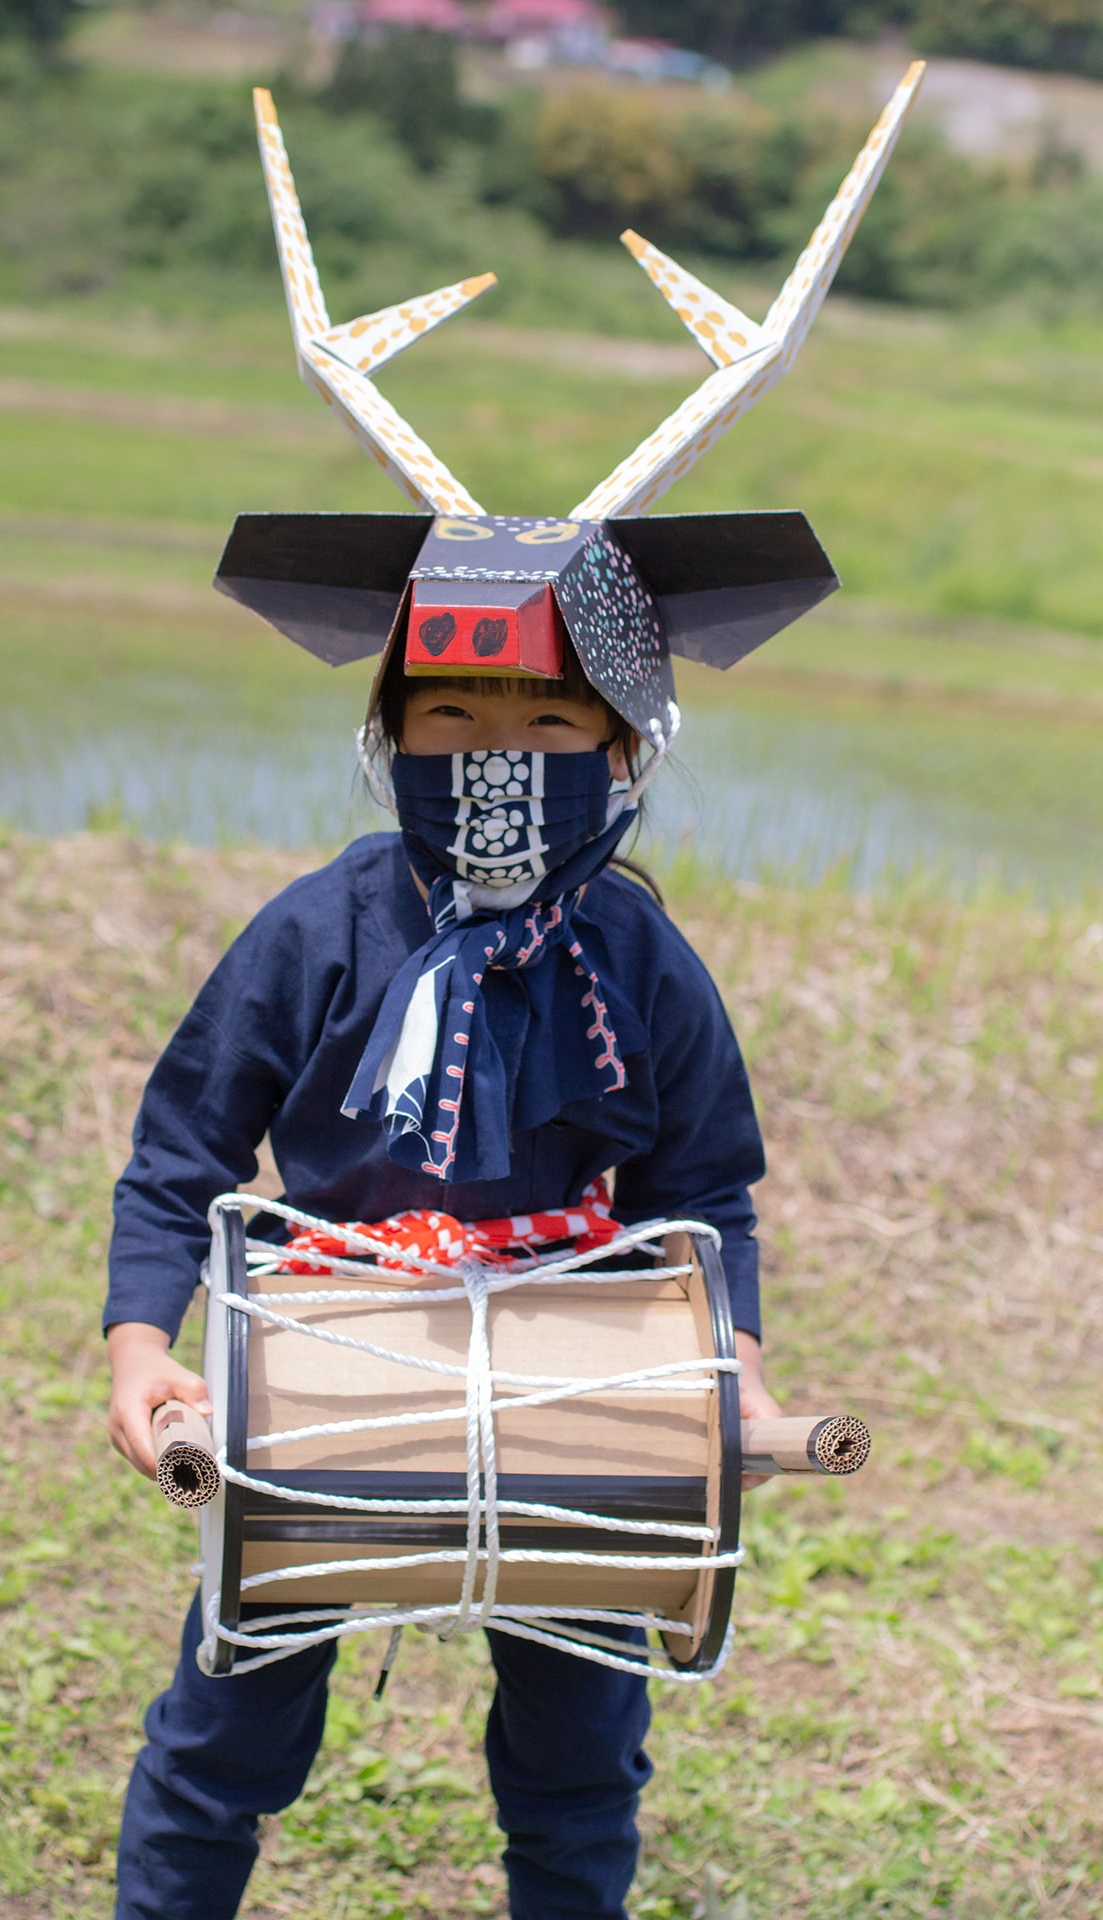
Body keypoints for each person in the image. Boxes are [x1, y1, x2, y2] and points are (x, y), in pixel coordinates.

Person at [104, 632, 781, 1920]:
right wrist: (143, 1343)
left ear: (625, 751)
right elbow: (184, 1144)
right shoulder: (318, 928)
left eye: (549, 728)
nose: (494, 756)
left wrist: (734, 1367)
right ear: (387, 740)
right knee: (227, 1734)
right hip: (329, 1363)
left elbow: (702, 1190)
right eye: (453, 714)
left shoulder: (639, 956)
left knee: (580, 1756)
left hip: (580, 1378)